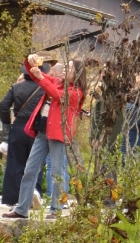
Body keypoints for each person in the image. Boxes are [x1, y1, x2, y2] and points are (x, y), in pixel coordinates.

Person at [11, 57, 86, 219]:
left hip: (59, 134)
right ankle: (21, 209)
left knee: (57, 173)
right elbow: (43, 78)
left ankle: (56, 210)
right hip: (42, 132)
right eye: (65, 67)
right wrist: (30, 63)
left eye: (69, 68)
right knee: (30, 170)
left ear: (78, 73)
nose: (65, 70)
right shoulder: (58, 82)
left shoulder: (76, 93)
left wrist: (41, 77)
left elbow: (55, 94)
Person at [1, 60, 49, 215]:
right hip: (37, 128)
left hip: (20, 127)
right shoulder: (44, 89)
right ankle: (35, 193)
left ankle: (15, 200)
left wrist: (7, 125)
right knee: (36, 164)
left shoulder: (16, 87)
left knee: (16, 163)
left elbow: (3, 106)